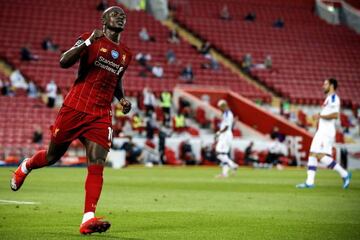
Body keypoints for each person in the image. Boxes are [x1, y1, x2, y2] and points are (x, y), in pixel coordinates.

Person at [10, 6, 132, 235]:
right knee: (52, 156)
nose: (121, 17)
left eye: (123, 16)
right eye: (115, 14)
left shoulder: (126, 54)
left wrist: (122, 98)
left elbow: (116, 80)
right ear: (104, 20)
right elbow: (63, 62)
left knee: (97, 162)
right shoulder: (90, 39)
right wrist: (87, 43)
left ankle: (88, 218)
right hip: (75, 107)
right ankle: (26, 165)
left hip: (101, 113)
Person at [296, 78, 351, 189]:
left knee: (320, 156)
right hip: (321, 131)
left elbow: (335, 115)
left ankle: (344, 174)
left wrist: (320, 116)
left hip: (327, 132)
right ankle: (309, 182)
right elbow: (328, 113)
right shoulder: (328, 98)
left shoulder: (334, 98)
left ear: (331, 85)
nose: (323, 86)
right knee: (312, 154)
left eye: (325, 84)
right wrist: (319, 116)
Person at [215, 100, 238, 178]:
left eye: (220, 107)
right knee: (224, 154)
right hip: (226, 135)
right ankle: (224, 174)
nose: (220, 109)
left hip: (225, 135)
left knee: (218, 153)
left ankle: (233, 165)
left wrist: (219, 132)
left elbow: (227, 126)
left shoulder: (227, 114)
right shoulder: (226, 113)